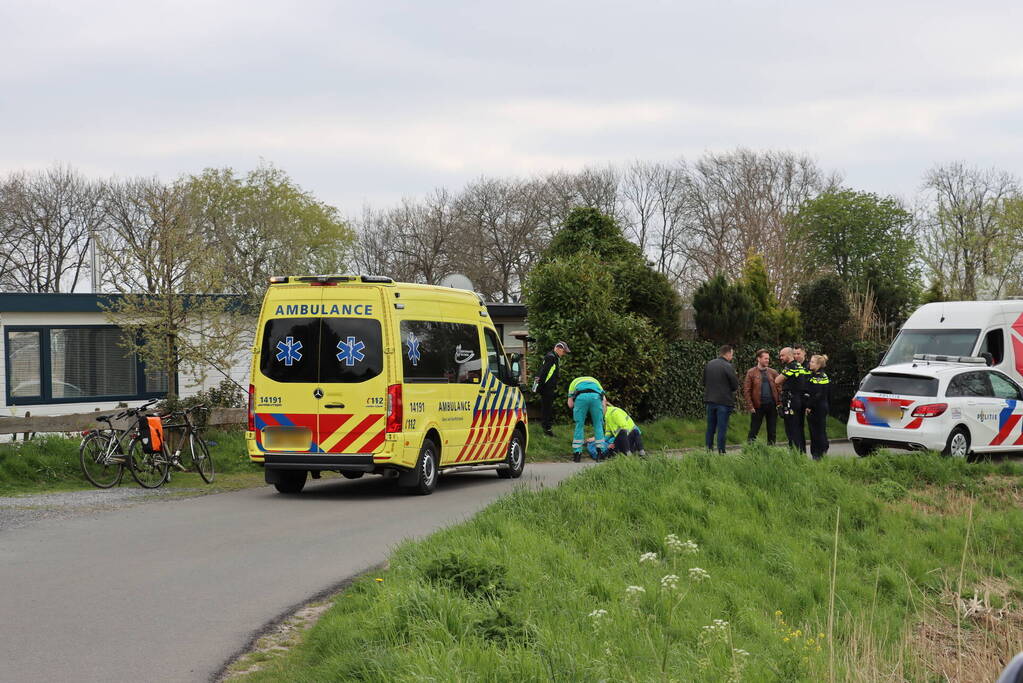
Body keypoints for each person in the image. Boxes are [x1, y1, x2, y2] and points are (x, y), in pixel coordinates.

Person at [703, 345, 739, 454]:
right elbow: (735, 385)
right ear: (727, 353)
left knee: (710, 428)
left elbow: (703, 382)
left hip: (710, 401)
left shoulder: (709, 364)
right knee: (722, 429)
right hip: (724, 402)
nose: (732, 357)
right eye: (732, 355)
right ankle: (721, 452)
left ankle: (708, 450)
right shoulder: (728, 366)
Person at [776, 346, 810, 452]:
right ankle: (801, 452)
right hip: (799, 400)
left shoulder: (791, 367)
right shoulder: (799, 366)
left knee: (791, 428)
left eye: (782, 355)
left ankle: (794, 454)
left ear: (789, 355)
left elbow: (777, 380)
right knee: (799, 428)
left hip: (791, 401)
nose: (780, 357)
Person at [743, 349, 780, 445]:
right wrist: (750, 406)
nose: (767, 360)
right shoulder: (751, 372)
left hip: (772, 405)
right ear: (758, 359)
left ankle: (771, 451)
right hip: (757, 406)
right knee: (754, 430)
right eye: (765, 358)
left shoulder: (773, 372)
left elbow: (780, 388)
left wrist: (779, 403)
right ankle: (750, 450)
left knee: (772, 431)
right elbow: (747, 390)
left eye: (768, 359)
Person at [535, 341, 569, 437]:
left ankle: (546, 427)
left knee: (547, 408)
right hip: (547, 388)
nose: (564, 354)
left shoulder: (553, 357)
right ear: (558, 348)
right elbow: (544, 373)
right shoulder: (551, 357)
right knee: (547, 408)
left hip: (548, 387)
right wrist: (540, 387)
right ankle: (547, 429)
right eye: (564, 351)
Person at [568, 375, 606, 462]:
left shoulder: (573, 382)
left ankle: (577, 455)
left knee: (579, 425)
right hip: (596, 397)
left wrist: (577, 406)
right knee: (598, 425)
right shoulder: (596, 382)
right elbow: (604, 401)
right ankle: (600, 454)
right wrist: (601, 416)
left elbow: (570, 404)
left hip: (581, 398)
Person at [805, 354, 831, 460]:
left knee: (818, 431)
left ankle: (819, 454)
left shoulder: (820, 376)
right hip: (818, 407)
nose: (809, 363)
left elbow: (818, 394)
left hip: (818, 408)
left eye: (812, 362)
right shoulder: (815, 375)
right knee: (816, 431)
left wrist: (809, 406)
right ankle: (818, 452)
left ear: (819, 364)